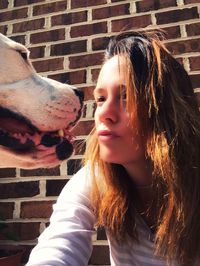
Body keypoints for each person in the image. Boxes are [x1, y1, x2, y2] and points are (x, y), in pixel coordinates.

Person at [26, 30, 200, 266]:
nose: (104, 113)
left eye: (126, 96)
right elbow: (59, 244)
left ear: (165, 108)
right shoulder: (96, 177)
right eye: (100, 99)